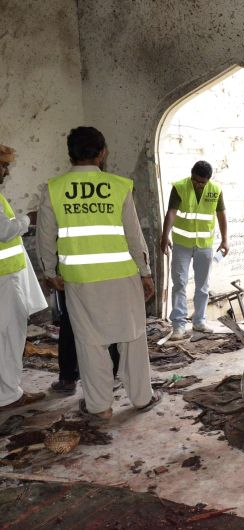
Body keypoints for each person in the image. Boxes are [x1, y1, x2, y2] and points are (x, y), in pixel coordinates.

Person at [37, 126, 159, 420]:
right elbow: (134, 236)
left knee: (90, 343)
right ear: (102, 152)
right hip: (123, 278)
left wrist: (50, 272)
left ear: (70, 154)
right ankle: (142, 398)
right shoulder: (119, 186)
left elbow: (44, 237)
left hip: (81, 282)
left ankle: (99, 406)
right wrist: (145, 272)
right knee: (132, 338)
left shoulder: (54, 188)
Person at [0, 144, 48, 410]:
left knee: (7, 337)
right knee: (10, 337)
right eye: (3, 165)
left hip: (7, 277)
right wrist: (29, 218)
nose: (6, 171)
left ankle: (7, 391)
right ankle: (9, 395)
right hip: (4, 280)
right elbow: (5, 231)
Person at [160, 161, 228, 338]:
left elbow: (221, 215)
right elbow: (171, 212)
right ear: (192, 175)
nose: (198, 184)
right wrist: (164, 235)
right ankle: (178, 325)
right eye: (195, 180)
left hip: (205, 245)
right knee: (179, 283)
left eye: (202, 182)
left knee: (203, 286)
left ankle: (199, 322)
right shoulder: (180, 187)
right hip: (182, 244)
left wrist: (225, 240)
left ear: (208, 179)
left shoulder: (215, 190)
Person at [49, 289, 122, 395]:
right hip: (105, 284)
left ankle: (68, 379)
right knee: (106, 319)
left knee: (71, 319)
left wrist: (52, 278)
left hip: (75, 283)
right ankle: (107, 381)